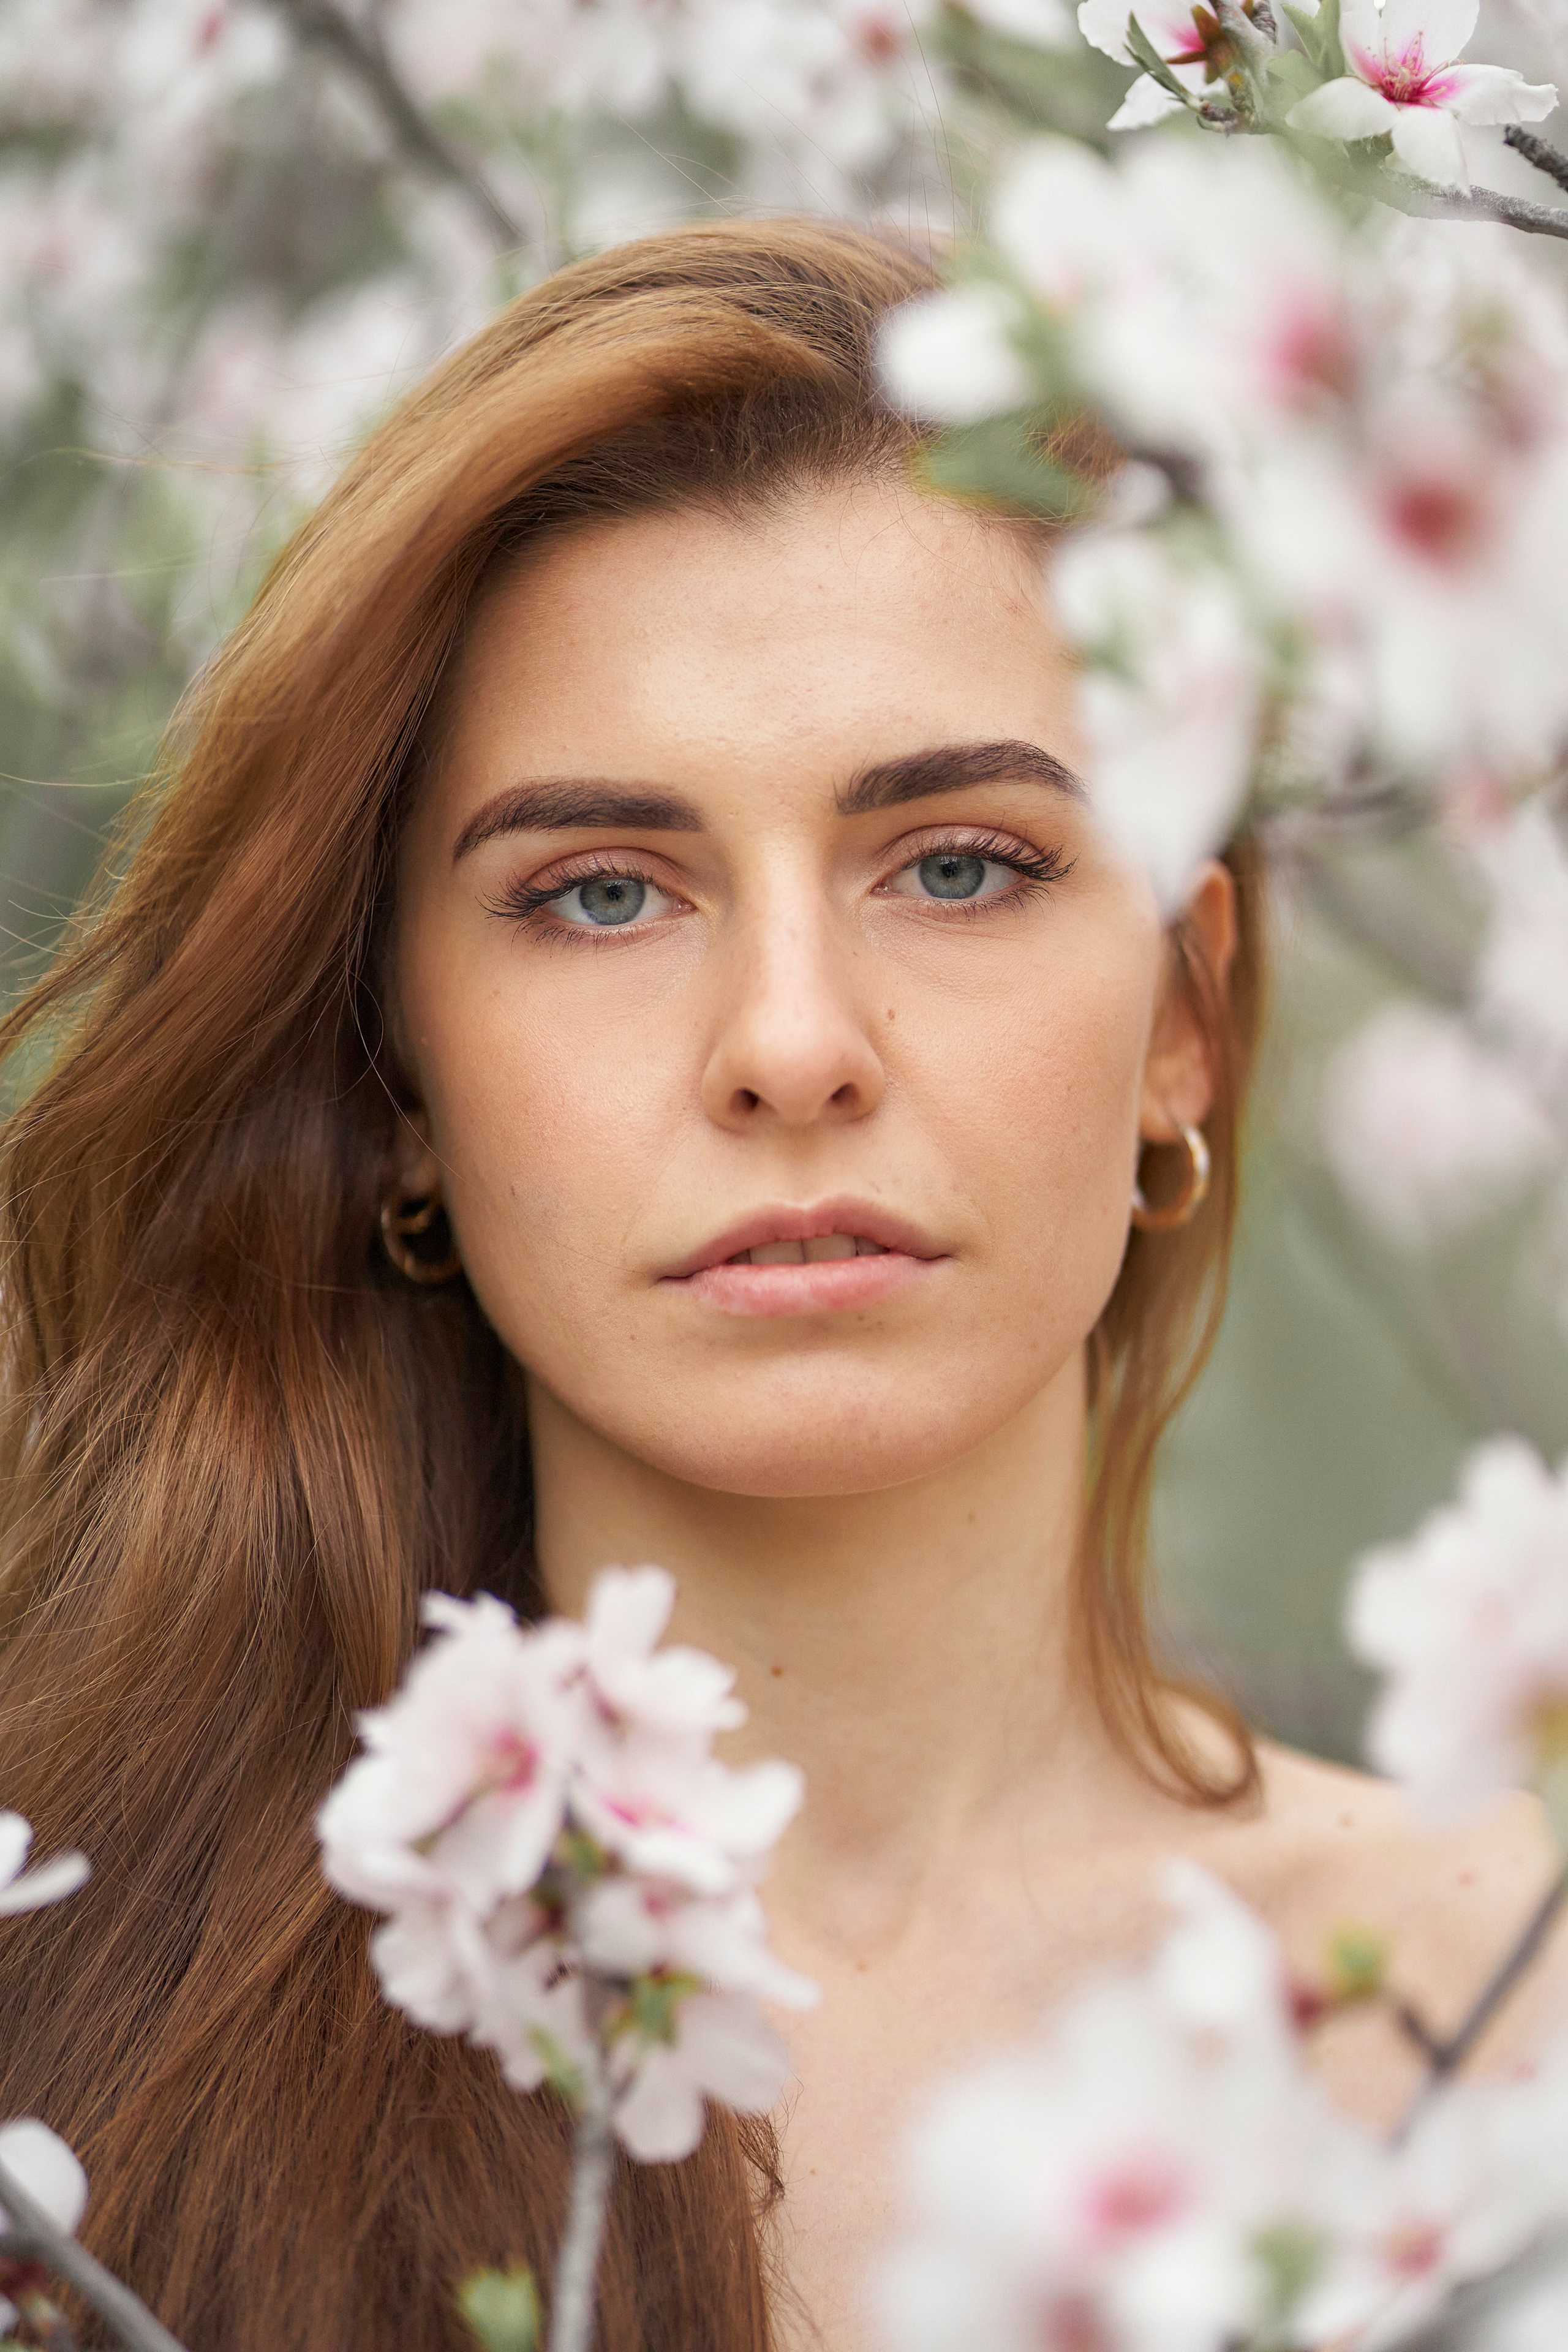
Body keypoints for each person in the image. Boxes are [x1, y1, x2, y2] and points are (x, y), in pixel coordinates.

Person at [0, 218, 1559, 2352]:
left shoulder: (1518, 2036)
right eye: (605, 893)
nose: (791, 1042)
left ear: (1182, 1019)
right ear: (402, 1087)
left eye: (959, 866)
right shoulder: (66, 2069)